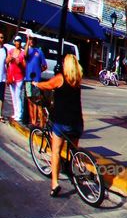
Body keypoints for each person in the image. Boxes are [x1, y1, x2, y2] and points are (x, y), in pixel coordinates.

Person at [32, 53, 85, 197]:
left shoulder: (60, 78)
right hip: (77, 123)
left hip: (62, 123)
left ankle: (54, 184)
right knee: (73, 149)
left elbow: (47, 85)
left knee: (55, 151)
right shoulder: (77, 80)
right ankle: (73, 167)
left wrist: (36, 84)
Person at [24, 34, 47, 127]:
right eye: (30, 39)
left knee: (36, 101)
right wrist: (27, 40)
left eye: (33, 39)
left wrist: (38, 71)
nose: (32, 41)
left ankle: (38, 122)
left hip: (36, 80)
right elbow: (25, 55)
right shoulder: (28, 51)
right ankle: (33, 121)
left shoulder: (39, 52)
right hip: (28, 79)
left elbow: (45, 66)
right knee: (29, 100)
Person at [6, 35, 26, 125]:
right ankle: (15, 113)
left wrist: (20, 62)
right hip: (11, 76)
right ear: (14, 42)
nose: (18, 43)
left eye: (19, 41)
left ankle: (19, 114)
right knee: (13, 95)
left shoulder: (22, 53)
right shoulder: (11, 51)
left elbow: (25, 65)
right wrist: (9, 59)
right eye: (16, 41)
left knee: (18, 95)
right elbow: (6, 61)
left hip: (19, 77)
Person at [0, 32, 8, 123]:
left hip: (2, 78)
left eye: (2, 37)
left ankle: (0, 114)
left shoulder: (5, 50)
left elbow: (7, 64)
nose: (0, 39)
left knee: (1, 97)